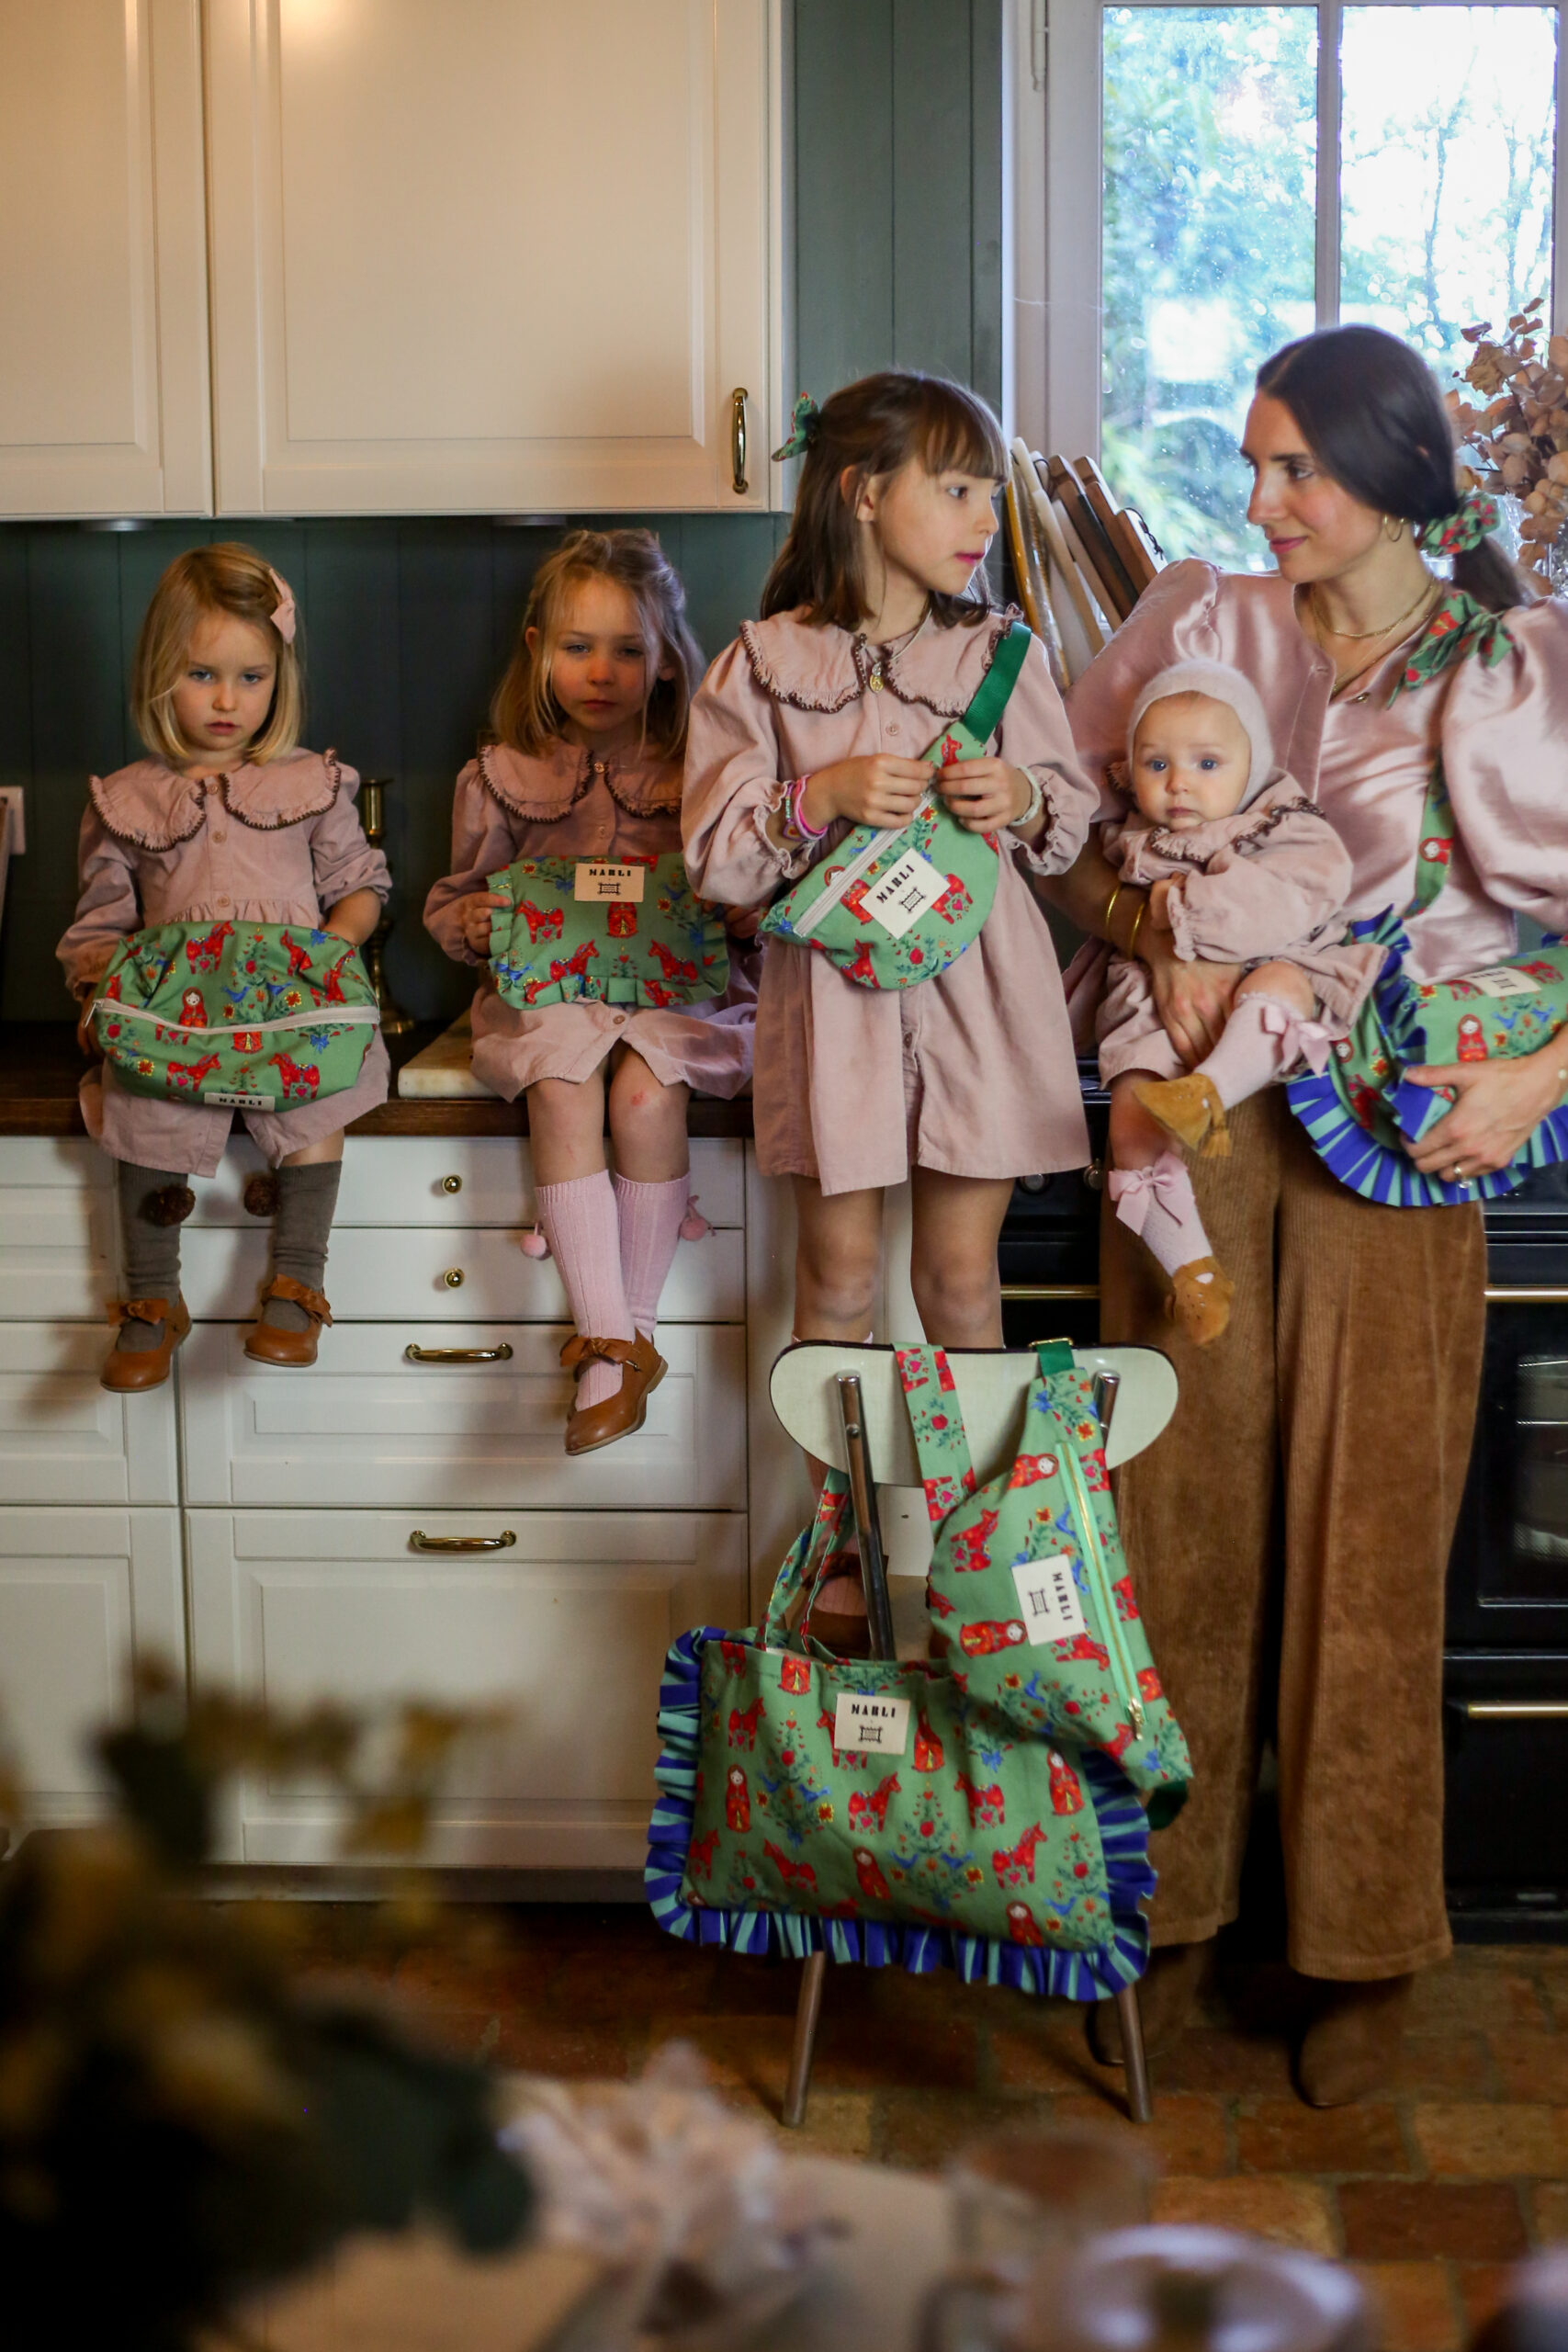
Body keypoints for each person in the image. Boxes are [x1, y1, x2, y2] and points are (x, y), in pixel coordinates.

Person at [1044, 323, 1568, 2104]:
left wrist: (1540, 1074)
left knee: (1371, 1538)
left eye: (1297, 470)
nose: (1260, 502)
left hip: (1402, 1130)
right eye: (1254, 466)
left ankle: (1360, 1941)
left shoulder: (1512, 664)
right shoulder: (1200, 621)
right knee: (1167, 1519)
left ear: (1397, 477)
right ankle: (1164, 1903)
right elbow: (1059, 839)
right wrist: (1161, 935)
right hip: (1190, 1120)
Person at [682, 369, 1097, 1647]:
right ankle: (841, 1556)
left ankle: (983, 1564)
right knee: (836, 1277)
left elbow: (1068, 822)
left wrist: (1020, 798)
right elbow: (714, 858)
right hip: (836, 1008)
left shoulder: (1001, 654)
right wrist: (818, 799)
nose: (981, 517)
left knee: (962, 1283)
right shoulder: (761, 664)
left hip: (981, 999)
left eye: (985, 490)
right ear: (863, 494)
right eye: (954, 488)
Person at [423, 528, 752, 1456]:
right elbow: (453, 899)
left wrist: (741, 913)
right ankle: (607, 1338)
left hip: (675, 998)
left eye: (627, 650)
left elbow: (749, 885)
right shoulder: (501, 776)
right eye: (578, 647)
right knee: (562, 1082)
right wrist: (474, 920)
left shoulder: (701, 772)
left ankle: (625, 1335)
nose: (601, 672)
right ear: (538, 650)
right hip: (554, 998)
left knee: (647, 1094)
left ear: (667, 658)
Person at [58, 543, 389, 1390]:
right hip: (178, 1017)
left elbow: (360, 886)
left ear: (280, 678)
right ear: (159, 673)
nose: (227, 700)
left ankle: (298, 1282)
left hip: (290, 1009)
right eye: (201, 674)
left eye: (251, 677)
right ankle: (150, 1297)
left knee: (319, 1102)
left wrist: (330, 949)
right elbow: (102, 923)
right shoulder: (127, 799)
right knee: (140, 1106)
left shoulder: (312, 783)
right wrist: (98, 993)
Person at [1092, 659, 1382, 1344]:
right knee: (1129, 1118)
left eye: (1206, 763)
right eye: (1155, 764)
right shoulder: (1131, 840)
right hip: (1158, 993)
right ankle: (1192, 1272)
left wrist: (1180, 907)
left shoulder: (1283, 823)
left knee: (1280, 986)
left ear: (1252, 765)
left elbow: (1292, 901)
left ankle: (1211, 1092)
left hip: (1271, 961)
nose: (1178, 782)